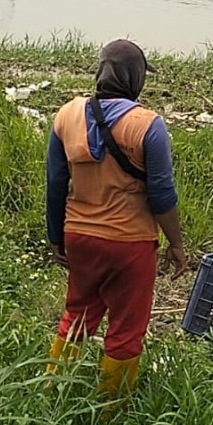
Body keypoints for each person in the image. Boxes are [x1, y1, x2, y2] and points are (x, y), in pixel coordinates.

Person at [46, 39, 188, 396]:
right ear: (136, 78)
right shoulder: (147, 125)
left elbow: (55, 184)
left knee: (76, 315)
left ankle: (52, 393)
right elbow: (161, 194)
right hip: (130, 244)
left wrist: (55, 236)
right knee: (126, 328)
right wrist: (176, 244)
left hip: (79, 237)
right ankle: (112, 415)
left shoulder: (66, 115)